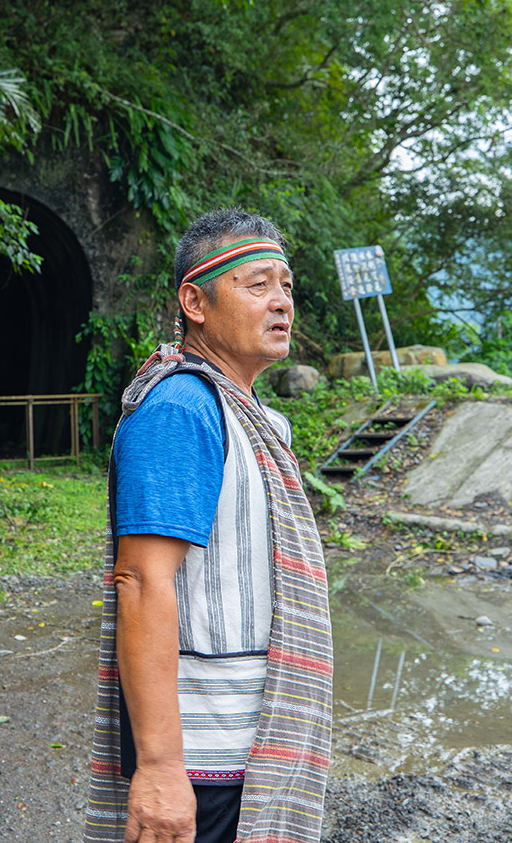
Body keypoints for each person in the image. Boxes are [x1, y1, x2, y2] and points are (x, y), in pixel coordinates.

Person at [84, 209, 334, 843]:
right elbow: (142, 580)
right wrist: (161, 768)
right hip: (203, 757)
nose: (281, 302)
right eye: (258, 285)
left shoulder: (250, 414)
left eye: (286, 286)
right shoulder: (181, 409)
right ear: (194, 302)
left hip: (249, 742)